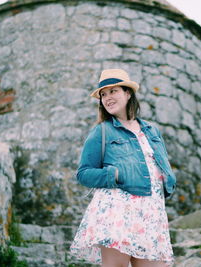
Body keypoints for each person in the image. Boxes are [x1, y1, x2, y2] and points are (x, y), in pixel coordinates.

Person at [70, 69, 176, 267]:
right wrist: (115, 174)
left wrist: (168, 179)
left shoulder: (152, 131)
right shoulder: (101, 131)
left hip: (151, 212)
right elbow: (83, 173)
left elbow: (160, 165)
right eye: (103, 94)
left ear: (128, 93)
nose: (108, 98)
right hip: (117, 211)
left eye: (114, 91)